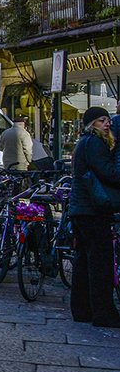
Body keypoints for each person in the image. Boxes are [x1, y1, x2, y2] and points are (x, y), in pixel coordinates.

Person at [67, 106, 120, 328]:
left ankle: (82, 310)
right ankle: (103, 313)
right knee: (100, 263)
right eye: (101, 121)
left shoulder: (84, 143)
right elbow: (108, 173)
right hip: (93, 210)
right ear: (91, 125)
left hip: (81, 209)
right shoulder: (96, 143)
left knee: (83, 262)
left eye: (107, 120)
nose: (106, 124)